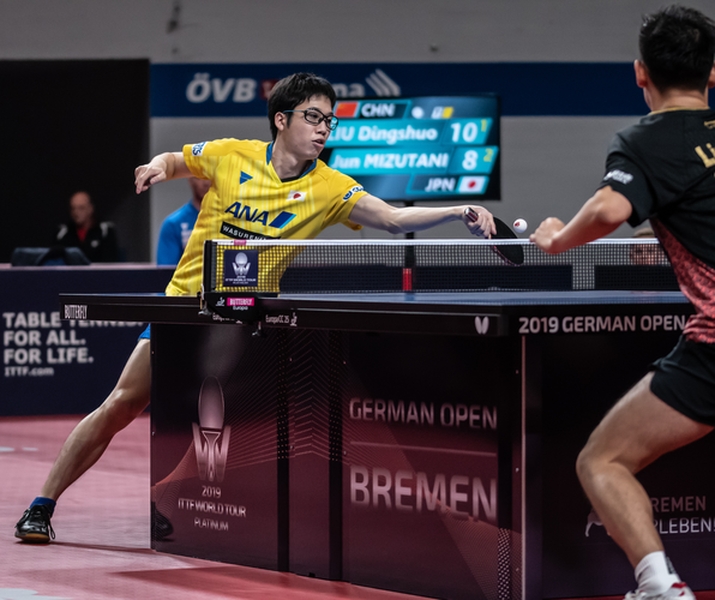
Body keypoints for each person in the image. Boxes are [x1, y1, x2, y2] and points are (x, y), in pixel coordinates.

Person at [14, 72, 497, 544]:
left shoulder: (329, 187)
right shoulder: (232, 155)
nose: (324, 129)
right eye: (314, 117)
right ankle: (41, 506)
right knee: (122, 404)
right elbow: (177, 160)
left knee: (225, 423)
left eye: (330, 121)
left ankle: (181, 506)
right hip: (184, 306)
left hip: (245, 321)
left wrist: (455, 211)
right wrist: (158, 166)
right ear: (282, 119)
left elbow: (392, 218)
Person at [530, 6, 715, 599]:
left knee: (600, 461)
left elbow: (611, 209)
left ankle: (660, 587)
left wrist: (558, 237)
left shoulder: (647, 139)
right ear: (712, 74)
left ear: (641, 74)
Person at [156, 177, 211, 266]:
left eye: (209, 177)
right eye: (199, 177)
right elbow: (165, 272)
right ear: (190, 180)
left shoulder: (229, 220)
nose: (205, 183)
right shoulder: (173, 224)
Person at [55, 191, 121, 263]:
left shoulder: (105, 231)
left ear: (91, 208)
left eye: (81, 208)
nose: (76, 212)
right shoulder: (61, 233)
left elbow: (110, 262)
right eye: (73, 208)